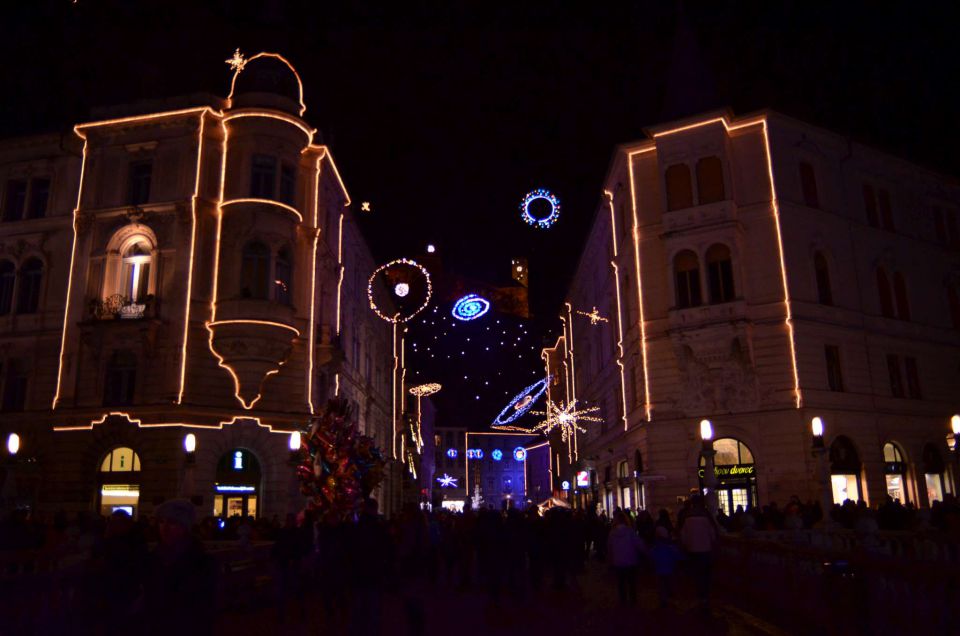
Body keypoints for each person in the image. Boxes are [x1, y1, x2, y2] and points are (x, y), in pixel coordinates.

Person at [140, 499, 217, 636]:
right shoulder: (154, 556)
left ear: (184, 526)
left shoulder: (200, 561)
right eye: (161, 522)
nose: (165, 527)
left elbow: (203, 605)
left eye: (172, 522)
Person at [678, 494, 719, 612]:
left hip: (692, 550)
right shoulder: (706, 516)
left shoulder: (687, 517)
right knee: (705, 574)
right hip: (706, 549)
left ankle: (699, 597)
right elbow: (713, 534)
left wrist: (686, 545)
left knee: (696, 575)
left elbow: (683, 536)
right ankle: (705, 597)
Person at [606, 510, 646, 605]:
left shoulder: (612, 534)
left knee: (621, 583)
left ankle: (623, 601)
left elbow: (609, 548)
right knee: (631, 583)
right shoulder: (630, 532)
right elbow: (639, 544)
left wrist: (610, 560)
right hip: (631, 560)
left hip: (618, 561)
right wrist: (645, 553)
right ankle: (633, 601)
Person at [650, 525, 682, 608]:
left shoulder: (655, 547)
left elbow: (651, 556)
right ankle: (671, 599)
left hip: (659, 569)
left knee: (661, 586)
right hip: (670, 569)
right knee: (671, 584)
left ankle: (663, 600)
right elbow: (678, 556)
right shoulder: (671, 547)